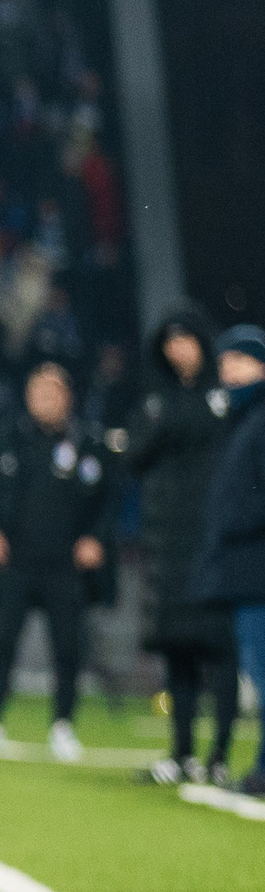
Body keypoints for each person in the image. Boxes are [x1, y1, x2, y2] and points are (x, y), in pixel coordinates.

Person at [0, 360, 115, 764]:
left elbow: (109, 501)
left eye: (53, 391)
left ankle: (63, 724)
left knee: (67, 647)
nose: (44, 399)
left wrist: (96, 538)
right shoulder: (8, 439)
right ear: (27, 397)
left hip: (66, 565)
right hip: (17, 561)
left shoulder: (87, 443)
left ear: (67, 398)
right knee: (3, 642)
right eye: (38, 391)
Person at [127, 308, 241, 784]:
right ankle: (181, 753)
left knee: (222, 652)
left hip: (218, 542)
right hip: (170, 543)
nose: (178, 350)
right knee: (178, 650)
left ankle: (219, 755)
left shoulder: (228, 398)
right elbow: (133, 456)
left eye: (185, 340)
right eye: (169, 342)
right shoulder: (156, 401)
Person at [192, 327, 265, 795]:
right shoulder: (240, 420)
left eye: (242, 359)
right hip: (245, 569)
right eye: (225, 361)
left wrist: (233, 522)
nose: (230, 369)